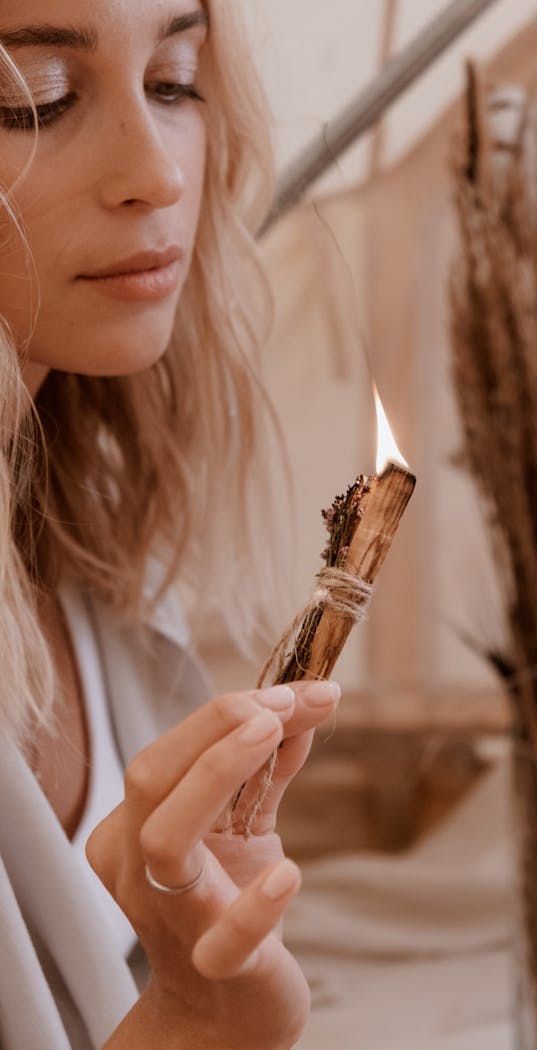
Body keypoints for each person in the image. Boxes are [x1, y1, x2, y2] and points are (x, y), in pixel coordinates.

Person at [0, 1, 341, 1047]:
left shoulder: (110, 581)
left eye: (175, 80)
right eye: (35, 101)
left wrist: (197, 1018)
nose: (158, 171)